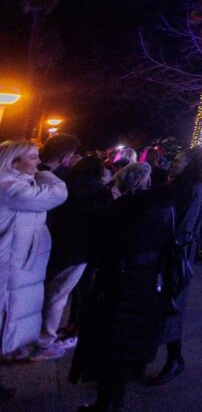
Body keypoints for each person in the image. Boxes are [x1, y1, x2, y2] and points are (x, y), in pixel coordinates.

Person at [69, 162, 169, 412]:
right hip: (144, 283)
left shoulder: (119, 210)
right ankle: (116, 401)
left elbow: (97, 253)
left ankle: (105, 402)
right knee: (127, 343)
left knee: (110, 343)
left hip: (117, 283)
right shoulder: (161, 209)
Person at [33, 152, 113, 360]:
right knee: (58, 294)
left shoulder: (63, 185)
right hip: (80, 249)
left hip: (52, 242)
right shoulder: (100, 192)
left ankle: (31, 332)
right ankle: (45, 339)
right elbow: (103, 225)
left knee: (42, 290)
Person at [0, 139, 68, 363]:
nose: (38, 161)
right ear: (14, 160)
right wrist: (46, 174)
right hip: (9, 264)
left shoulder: (19, 184)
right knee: (7, 312)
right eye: (32, 157)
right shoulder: (9, 187)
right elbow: (58, 194)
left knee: (12, 313)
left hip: (17, 262)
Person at [148, 146, 202, 386]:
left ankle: (174, 358)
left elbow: (186, 225)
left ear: (191, 164)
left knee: (172, 303)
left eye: (178, 160)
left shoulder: (194, 189)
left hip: (177, 254)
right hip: (168, 250)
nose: (174, 163)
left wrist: (172, 246)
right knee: (163, 302)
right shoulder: (179, 185)